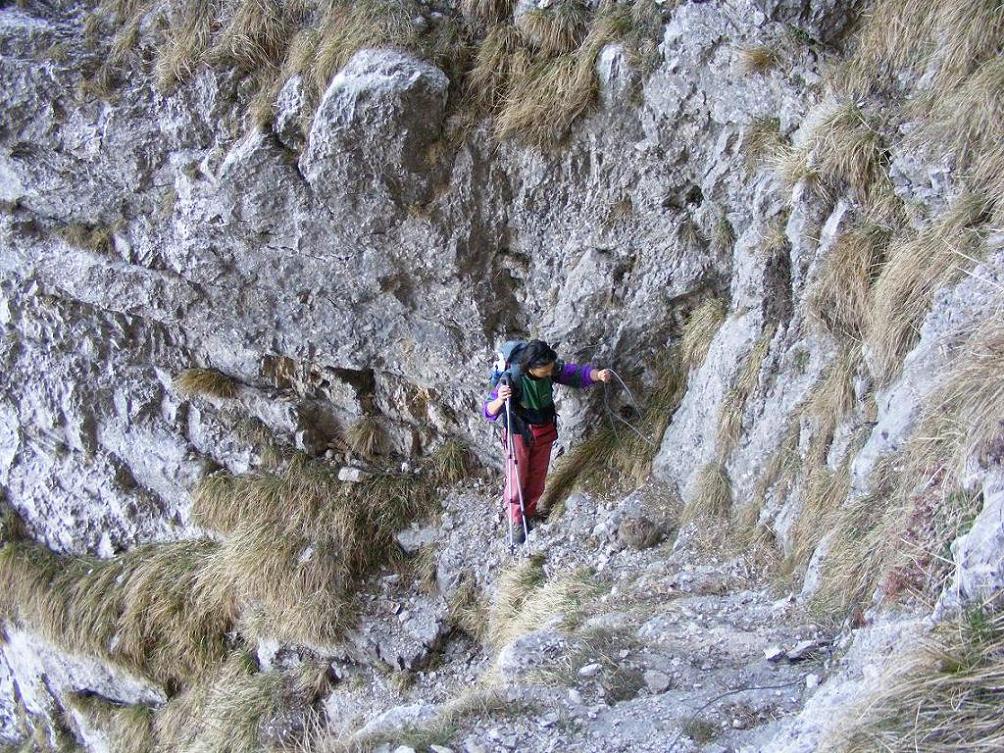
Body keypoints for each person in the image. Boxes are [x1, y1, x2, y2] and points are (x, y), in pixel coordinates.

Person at [482, 340, 613, 543]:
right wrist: (500, 399)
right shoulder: (512, 378)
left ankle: (530, 512)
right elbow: (489, 410)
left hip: (543, 430)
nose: (550, 372)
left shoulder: (550, 368)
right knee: (517, 478)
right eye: (545, 370)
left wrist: (597, 375)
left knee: (537, 476)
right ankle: (516, 521)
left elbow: (573, 374)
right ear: (531, 367)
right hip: (518, 433)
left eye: (551, 368)